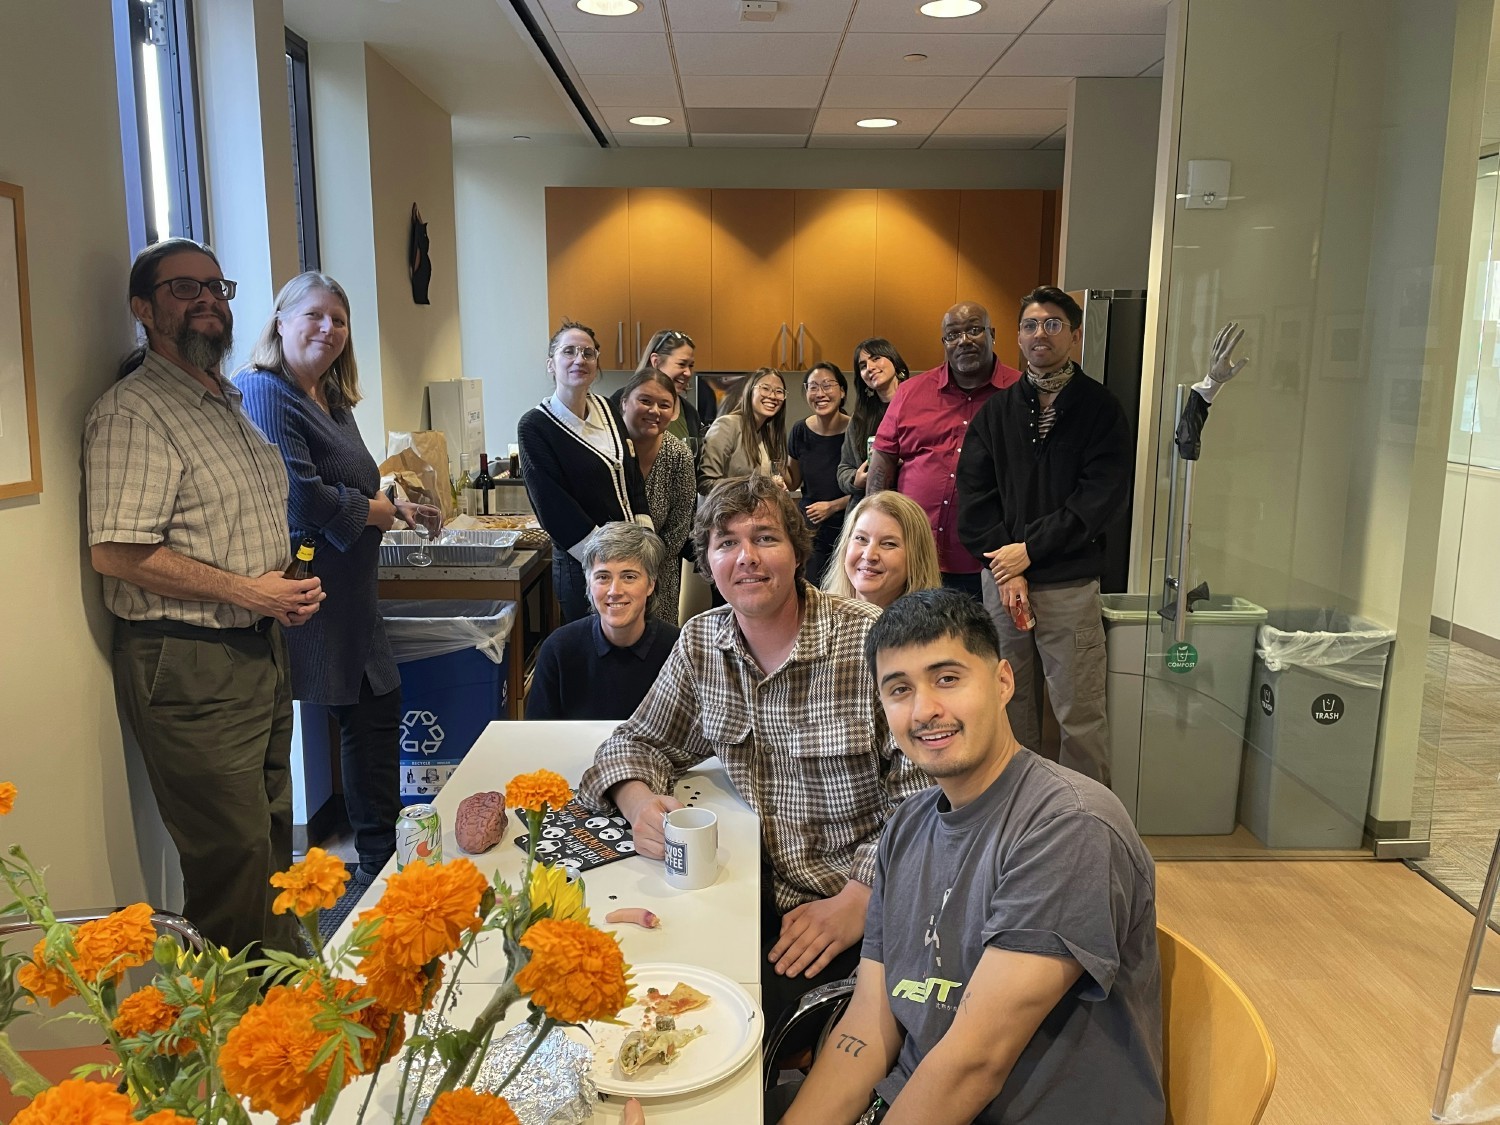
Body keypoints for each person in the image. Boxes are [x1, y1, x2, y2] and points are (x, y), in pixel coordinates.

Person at [773, 589, 1163, 1125]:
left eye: (948, 678)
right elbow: (867, 1024)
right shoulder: (907, 827)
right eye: (899, 689)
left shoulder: (1068, 827)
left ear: (1003, 681)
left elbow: (974, 1065)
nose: (925, 709)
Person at [578, 473, 929, 1043]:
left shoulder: (872, 642)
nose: (746, 558)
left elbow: (929, 801)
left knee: (748, 1045)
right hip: (749, 894)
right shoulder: (702, 643)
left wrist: (863, 899)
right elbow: (632, 742)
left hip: (862, 906)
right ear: (708, 563)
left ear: (798, 553)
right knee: (635, 1009)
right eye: (725, 543)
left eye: (765, 537)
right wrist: (639, 800)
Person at [84, 239, 325, 956]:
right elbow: (118, 551)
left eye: (217, 286)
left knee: (273, 839)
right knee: (236, 858)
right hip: (189, 662)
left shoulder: (223, 398)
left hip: (256, 647)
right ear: (143, 307)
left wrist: (277, 581)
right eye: (185, 287)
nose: (209, 300)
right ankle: (237, 1039)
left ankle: (282, 1003)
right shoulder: (136, 412)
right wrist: (249, 587)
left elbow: (217, 525)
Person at [236, 271, 439, 893]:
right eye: (315, 316)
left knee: (375, 711)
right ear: (280, 320)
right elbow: (298, 497)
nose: (328, 329)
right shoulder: (266, 391)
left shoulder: (333, 397)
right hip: (301, 592)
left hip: (351, 587)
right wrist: (373, 512)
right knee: (349, 714)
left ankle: (381, 864)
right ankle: (367, 870)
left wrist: (391, 501)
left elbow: (350, 479)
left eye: (340, 320)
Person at [957, 287, 1132, 786]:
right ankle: (1018, 816)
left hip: (1069, 585)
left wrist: (1028, 552)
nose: (1041, 334)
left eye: (1053, 324)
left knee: (1080, 715)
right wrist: (1005, 565)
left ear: (1075, 335)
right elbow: (974, 494)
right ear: (1017, 337)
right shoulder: (996, 413)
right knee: (1009, 708)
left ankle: (1089, 828)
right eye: (1031, 325)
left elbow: (1098, 500)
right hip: (1001, 583)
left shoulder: (1101, 409)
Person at [866, 303, 1021, 598]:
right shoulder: (911, 392)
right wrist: (874, 527)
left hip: (991, 563)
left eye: (974, 330)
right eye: (953, 334)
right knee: (912, 642)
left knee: (980, 644)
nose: (963, 340)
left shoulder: (1019, 392)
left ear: (992, 334)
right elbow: (883, 458)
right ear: (944, 342)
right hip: (914, 557)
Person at [518, 320, 653, 624]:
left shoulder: (608, 410)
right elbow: (552, 506)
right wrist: (607, 563)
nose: (580, 359)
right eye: (569, 352)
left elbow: (631, 475)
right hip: (585, 568)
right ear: (551, 364)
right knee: (593, 657)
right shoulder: (536, 426)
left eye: (588, 353)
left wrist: (644, 542)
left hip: (633, 561)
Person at [526, 523, 679, 721]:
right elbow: (537, 737)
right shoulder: (558, 650)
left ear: (651, 584)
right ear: (588, 583)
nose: (615, 591)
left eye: (629, 576)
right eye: (603, 577)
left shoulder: (679, 650)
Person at [619, 369, 696, 626]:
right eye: (645, 401)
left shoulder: (678, 455)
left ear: (673, 412)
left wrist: (645, 568)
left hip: (660, 575)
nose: (655, 411)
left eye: (664, 405)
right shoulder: (605, 451)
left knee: (658, 650)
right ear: (624, 403)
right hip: (609, 574)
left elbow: (679, 525)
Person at [822, 491, 942, 611]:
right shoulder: (818, 612)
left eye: (888, 544)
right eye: (861, 538)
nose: (869, 555)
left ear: (917, 558)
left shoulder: (936, 629)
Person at [787, 362, 851, 586]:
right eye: (813, 387)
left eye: (827, 385)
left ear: (842, 391)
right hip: (810, 528)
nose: (820, 393)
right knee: (810, 590)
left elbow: (869, 486)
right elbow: (793, 480)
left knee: (844, 590)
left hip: (849, 524)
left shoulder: (856, 430)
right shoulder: (799, 431)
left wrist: (832, 506)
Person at [838, 338, 910, 506]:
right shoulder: (860, 418)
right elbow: (843, 469)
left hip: (909, 508)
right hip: (869, 509)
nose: (870, 368)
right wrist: (856, 480)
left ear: (894, 361)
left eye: (876, 358)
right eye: (862, 366)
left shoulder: (917, 406)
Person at [699, 366, 791, 494]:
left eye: (779, 391)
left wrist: (774, 485)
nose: (773, 396)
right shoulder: (727, 425)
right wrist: (761, 486)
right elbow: (706, 484)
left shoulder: (767, 433)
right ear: (749, 391)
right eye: (765, 388)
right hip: (723, 513)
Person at [633, 328, 703, 458]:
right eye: (682, 364)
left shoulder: (690, 413)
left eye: (691, 366)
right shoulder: (621, 401)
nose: (688, 372)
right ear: (656, 362)